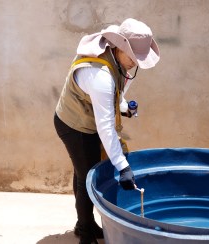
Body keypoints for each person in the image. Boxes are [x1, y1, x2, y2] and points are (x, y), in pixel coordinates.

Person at [53, 18, 160, 244]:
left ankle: (86, 223)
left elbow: (115, 95)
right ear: (120, 47)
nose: (135, 63)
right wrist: (123, 166)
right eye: (133, 57)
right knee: (87, 178)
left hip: (88, 120)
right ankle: (85, 233)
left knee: (83, 172)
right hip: (75, 126)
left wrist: (124, 107)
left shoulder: (117, 60)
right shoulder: (99, 75)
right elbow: (106, 128)